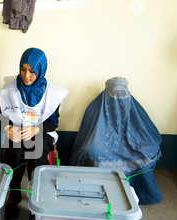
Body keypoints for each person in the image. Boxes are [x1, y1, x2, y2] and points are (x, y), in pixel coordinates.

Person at [0, 48, 69, 220]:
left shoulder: (51, 93)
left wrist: (36, 129)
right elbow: (1, 115)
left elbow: (53, 123)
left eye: (32, 71)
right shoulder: (10, 89)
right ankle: (13, 199)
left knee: (36, 155)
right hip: (18, 133)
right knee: (15, 155)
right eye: (23, 69)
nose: (26, 76)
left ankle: (35, 203)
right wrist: (7, 128)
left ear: (41, 70)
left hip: (41, 134)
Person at [69, 77, 163, 205]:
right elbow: (89, 134)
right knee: (91, 150)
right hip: (104, 145)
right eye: (115, 93)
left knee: (148, 150)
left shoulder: (133, 107)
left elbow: (144, 129)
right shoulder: (96, 107)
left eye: (123, 94)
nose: (119, 97)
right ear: (107, 94)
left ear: (128, 94)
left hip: (130, 145)